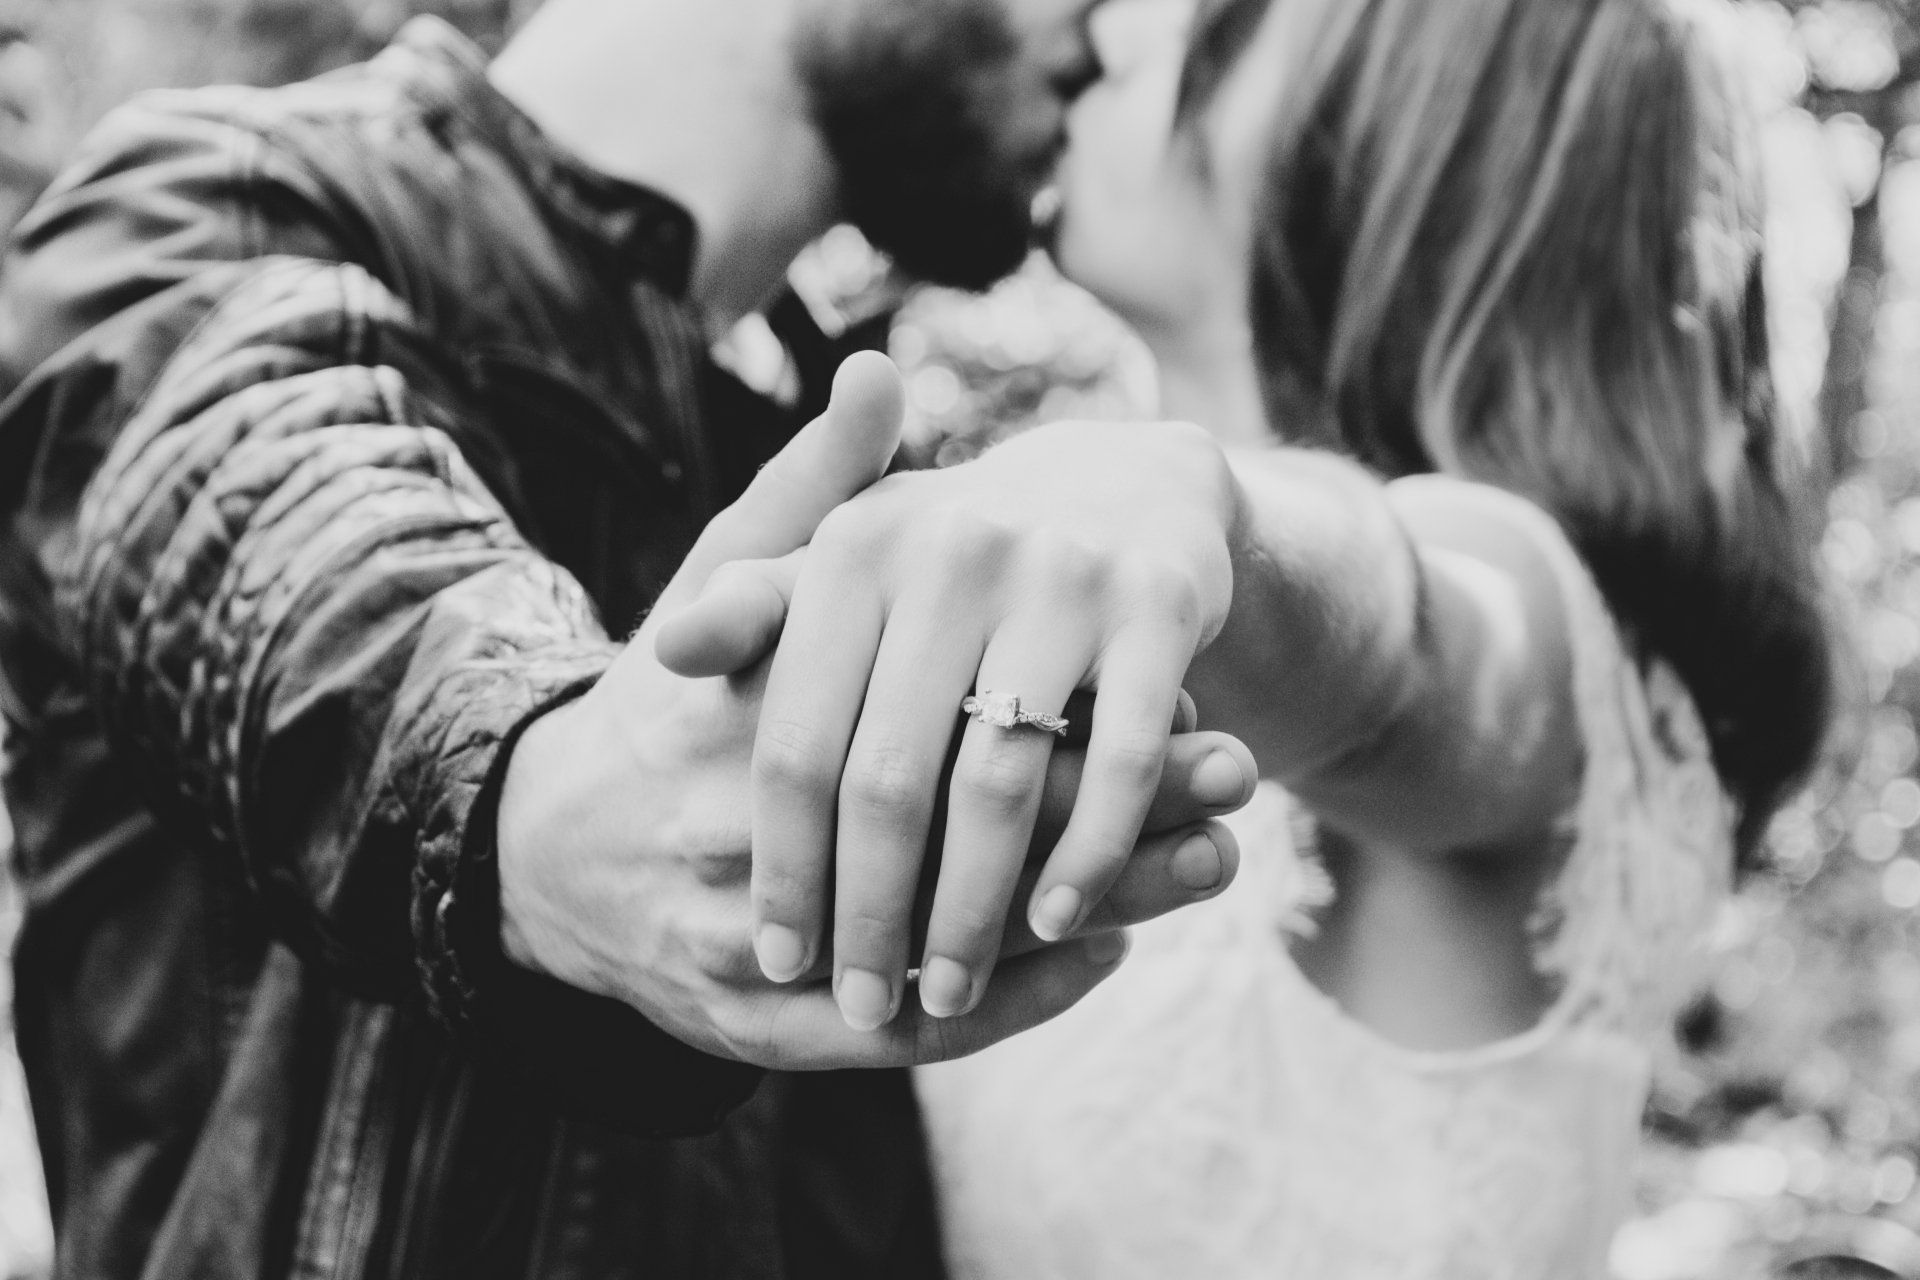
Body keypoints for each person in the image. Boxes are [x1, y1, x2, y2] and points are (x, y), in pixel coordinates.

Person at [0, 0, 1265, 1275]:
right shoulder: (213, 211)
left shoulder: (828, 447)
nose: (1110, 32)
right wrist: (529, 785)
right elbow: (262, 504)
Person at [657, 0, 1836, 1272]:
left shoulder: (1541, 627)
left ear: (1414, 141)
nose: (1110, 44)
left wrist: (1192, 509)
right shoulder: (1049, 624)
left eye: (1215, 37)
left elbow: (1399, 644)